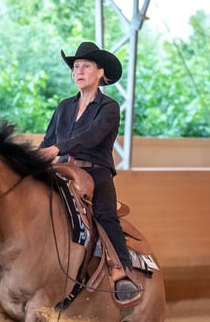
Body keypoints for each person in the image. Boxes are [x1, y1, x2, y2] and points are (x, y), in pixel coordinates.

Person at [38, 41, 139, 303]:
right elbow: (47, 140)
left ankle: (121, 272)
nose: (79, 71)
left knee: (106, 215)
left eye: (86, 66)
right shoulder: (64, 106)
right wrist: (35, 157)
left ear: (100, 73)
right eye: (76, 67)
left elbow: (92, 136)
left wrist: (57, 148)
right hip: (60, 170)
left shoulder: (109, 107)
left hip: (95, 173)